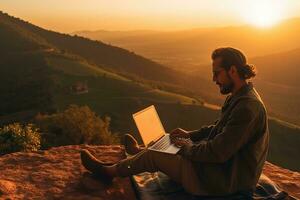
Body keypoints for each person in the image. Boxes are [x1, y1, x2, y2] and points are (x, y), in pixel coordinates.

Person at [80, 47, 269, 197]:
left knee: (157, 155)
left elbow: (217, 152)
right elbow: (219, 128)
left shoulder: (247, 107)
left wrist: (186, 147)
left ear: (233, 71)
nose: (214, 79)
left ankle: (107, 172)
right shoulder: (239, 96)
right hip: (220, 172)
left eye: (217, 73)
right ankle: (139, 154)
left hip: (221, 182)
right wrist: (190, 135)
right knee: (169, 140)